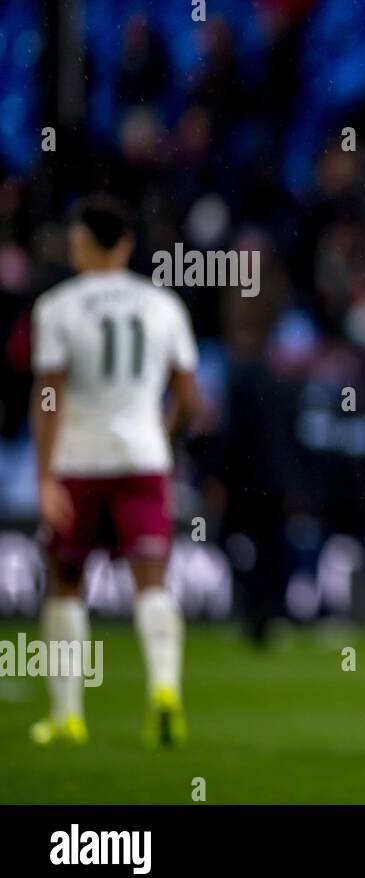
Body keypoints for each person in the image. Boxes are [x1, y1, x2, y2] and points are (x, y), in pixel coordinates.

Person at [29, 194, 201, 747]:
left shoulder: (56, 307)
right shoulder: (163, 306)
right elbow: (192, 401)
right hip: (143, 458)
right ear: (126, 245)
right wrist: (164, 442)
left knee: (66, 584)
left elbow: (49, 395)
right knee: (151, 581)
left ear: (80, 244)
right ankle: (165, 688)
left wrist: (44, 476)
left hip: (78, 461)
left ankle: (68, 714)